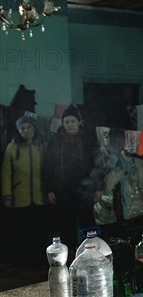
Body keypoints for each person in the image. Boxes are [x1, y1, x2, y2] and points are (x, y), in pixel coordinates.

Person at [42, 104, 99, 250]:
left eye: (73, 121)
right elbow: (48, 165)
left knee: (88, 222)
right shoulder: (56, 140)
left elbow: (96, 163)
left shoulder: (88, 138)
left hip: (85, 188)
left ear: (79, 122)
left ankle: (92, 253)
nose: (70, 125)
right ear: (63, 123)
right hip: (62, 189)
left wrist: (98, 187)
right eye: (66, 122)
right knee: (66, 224)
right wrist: (49, 189)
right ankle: (71, 255)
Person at [1, 115, 47, 264]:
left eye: (29, 127)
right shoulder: (12, 147)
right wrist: (7, 195)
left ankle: (39, 260)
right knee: (23, 230)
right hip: (20, 195)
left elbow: (49, 169)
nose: (26, 131)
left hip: (40, 195)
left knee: (40, 229)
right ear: (18, 130)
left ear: (34, 128)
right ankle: (24, 261)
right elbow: (6, 172)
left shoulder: (42, 145)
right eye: (22, 128)